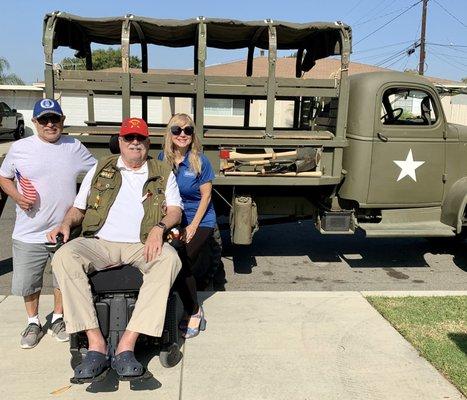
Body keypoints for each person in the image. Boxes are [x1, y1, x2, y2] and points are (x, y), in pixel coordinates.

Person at [48, 117, 182, 381]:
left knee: (169, 258)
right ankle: (95, 342)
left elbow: (176, 211)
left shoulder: (162, 171)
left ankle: (126, 346)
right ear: (120, 142)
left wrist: (159, 228)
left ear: (147, 142)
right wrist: (65, 224)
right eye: (129, 138)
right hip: (101, 242)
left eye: (140, 139)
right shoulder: (101, 168)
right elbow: (79, 208)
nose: (135, 143)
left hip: (141, 244)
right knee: (65, 256)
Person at [0, 98, 96, 349]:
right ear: (35, 122)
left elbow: (96, 175)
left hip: (65, 231)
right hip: (28, 232)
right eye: (44, 120)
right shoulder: (20, 148)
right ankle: (32, 322)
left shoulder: (74, 147)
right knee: (28, 282)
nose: (50, 124)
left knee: (62, 279)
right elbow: (4, 177)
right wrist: (17, 196)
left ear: (63, 121)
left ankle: (58, 318)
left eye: (55, 119)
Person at [159, 113, 216, 339]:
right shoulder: (162, 159)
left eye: (187, 130)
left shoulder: (201, 161)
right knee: (168, 261)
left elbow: (207, 196)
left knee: (181, 261)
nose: (182, 134)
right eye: (177, 130)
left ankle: (193, 311)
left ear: (193, 135)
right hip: (175, 218)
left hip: (200, 220)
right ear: (169, 133)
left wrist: (192, 226)